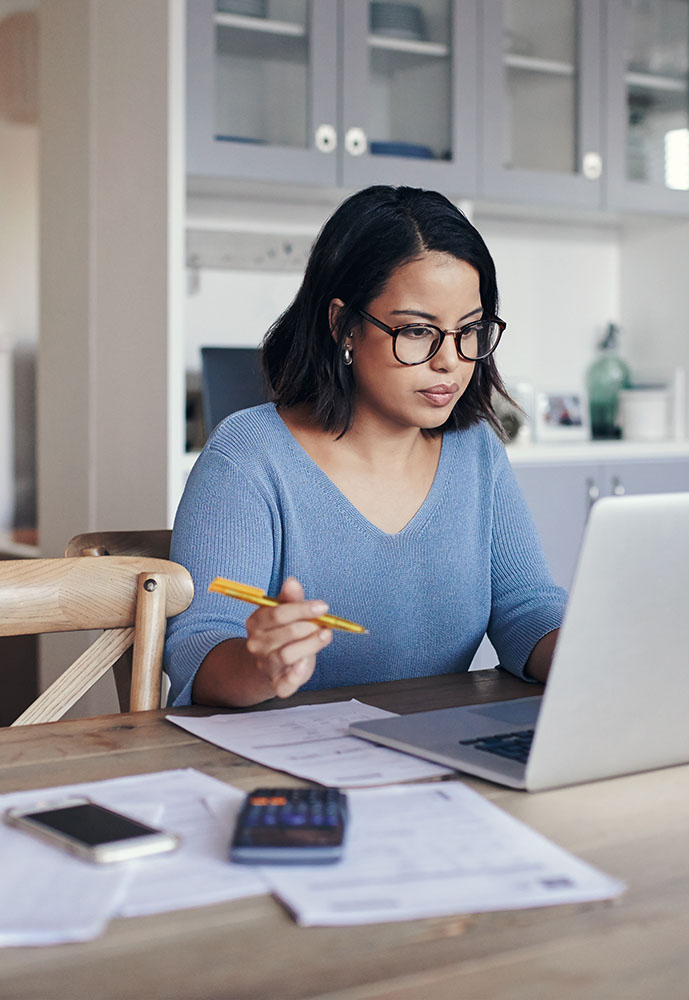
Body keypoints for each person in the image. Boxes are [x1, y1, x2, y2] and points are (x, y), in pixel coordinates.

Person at [164, 185, 566, 708]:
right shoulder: (249, 456)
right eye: (419, 331)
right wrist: (260, 664)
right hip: (283, 771)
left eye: (470, 330)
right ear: (344, 325)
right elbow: (199, 651)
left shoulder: (475, 452)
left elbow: (525, 610)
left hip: (433, 756)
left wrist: (595, 653)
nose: (450, 361)